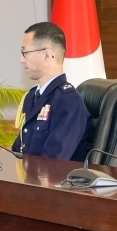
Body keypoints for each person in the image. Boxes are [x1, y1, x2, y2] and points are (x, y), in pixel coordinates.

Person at [12, 22, 91, 160]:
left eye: (25, 52)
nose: (21, 59)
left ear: (47, 55)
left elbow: (54, 162)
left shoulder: (69, 102)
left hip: (54, 180)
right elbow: (18, 150)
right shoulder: (32, 97)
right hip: (28, 178)